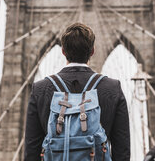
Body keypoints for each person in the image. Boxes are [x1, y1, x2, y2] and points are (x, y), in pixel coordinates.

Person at [24, 23, 130, 161]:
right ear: (92, 51)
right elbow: (122, 152)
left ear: (63, 51)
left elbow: (31, 151)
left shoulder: (40, 89)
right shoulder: (112, 88)